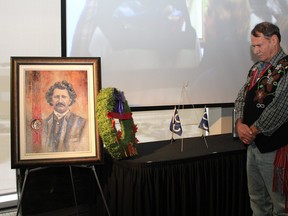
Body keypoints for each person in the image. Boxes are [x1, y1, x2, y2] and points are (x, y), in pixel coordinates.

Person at [235, 21, 288, 215]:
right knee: (257, 200)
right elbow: (241, 97)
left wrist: (252, 131)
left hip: (275, 147)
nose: (255, 50)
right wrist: (239, 124)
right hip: (254, 145)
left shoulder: (286, 68)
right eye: (253, 46)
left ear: (274, 40)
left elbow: (281, 109)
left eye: (259, 45)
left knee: (280, 204)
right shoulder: (256, 69)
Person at [42, 80, 88, 152]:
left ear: (70, 100)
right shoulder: (43, 123)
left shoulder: (82, 123)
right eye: (56, 97)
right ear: (51, 100)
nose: (60, 100)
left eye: (64, 97)